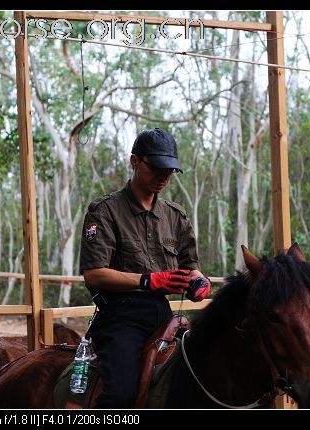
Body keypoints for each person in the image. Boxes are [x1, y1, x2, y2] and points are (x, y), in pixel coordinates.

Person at [79, 127, 211, 408]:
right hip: (120, 318)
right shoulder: (105, 211)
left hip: (165, 316)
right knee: (122, 394)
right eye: (157, 168)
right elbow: (93, 273)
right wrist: (147, 281)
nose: (164, 176)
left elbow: (191, 265)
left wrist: (199, 282)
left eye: (170, 170)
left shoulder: (174, 216)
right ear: (135, 161)